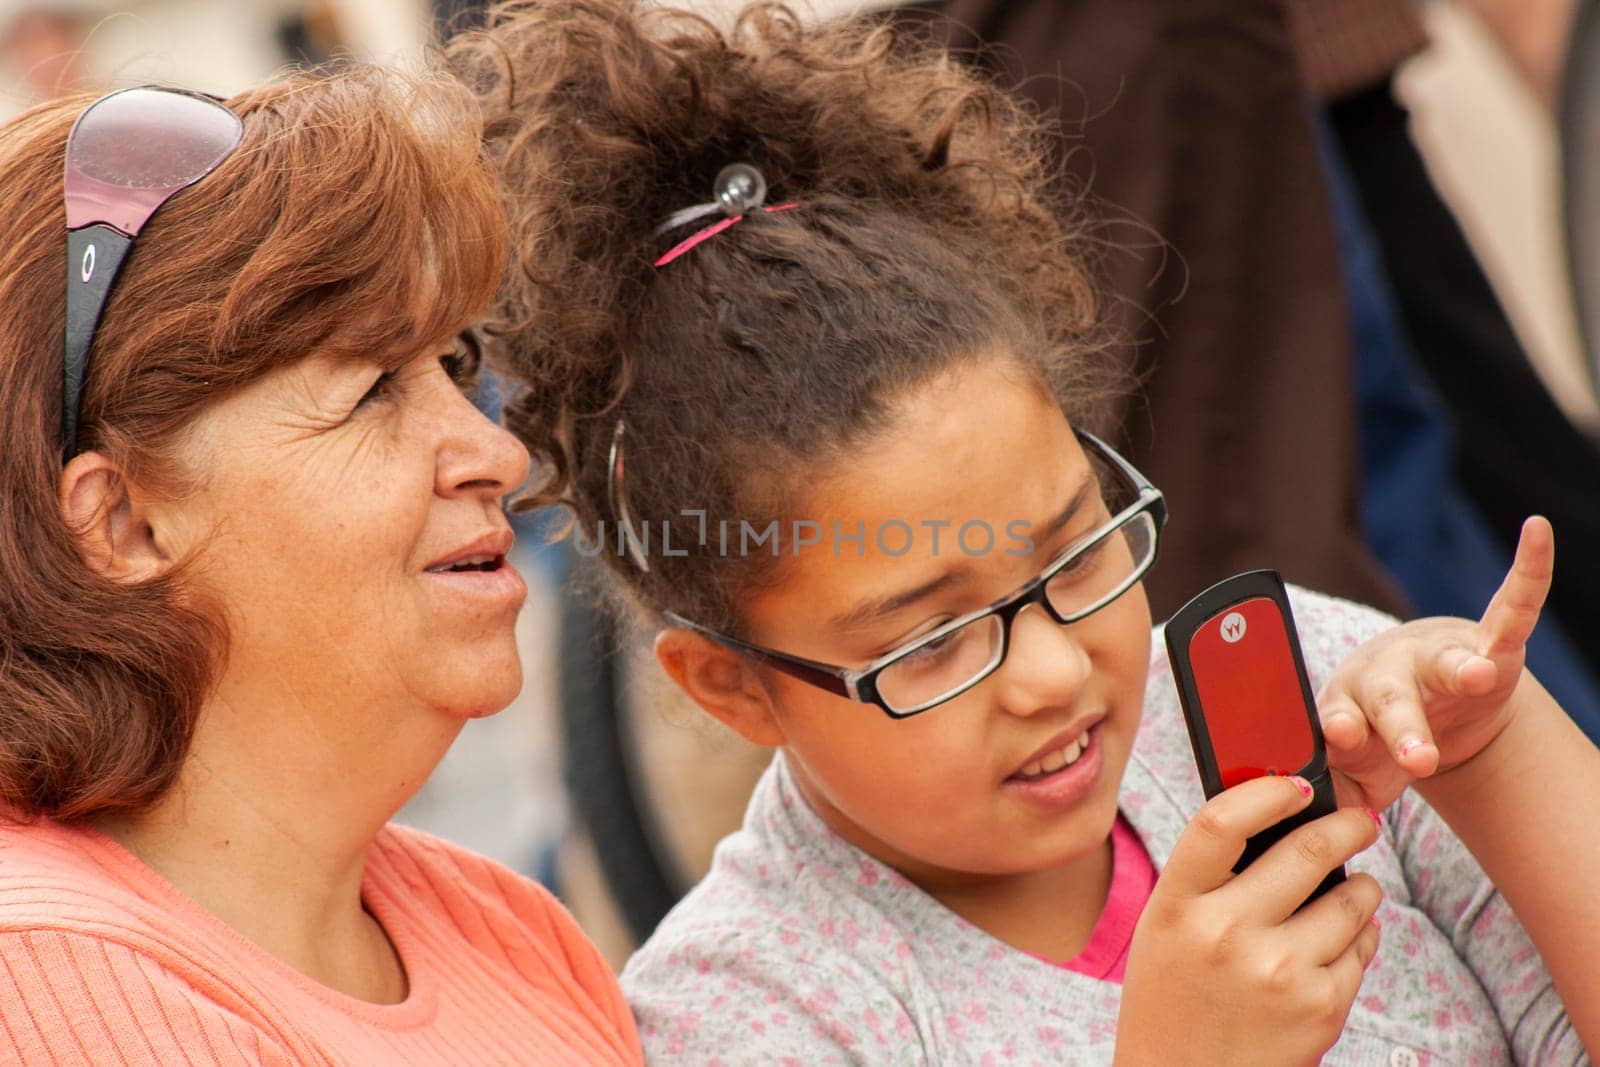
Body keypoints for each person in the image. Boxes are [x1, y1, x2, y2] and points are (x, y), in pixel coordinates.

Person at [458, 1, 1600, 1060]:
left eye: (1074, 549)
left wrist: (1493, 756)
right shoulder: (749, 1008)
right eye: (932, 640)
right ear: (731, 684)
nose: (1055, 672)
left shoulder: (1302, 688)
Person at [0, 65, 640, 1064]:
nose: (497, 455)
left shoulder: (505, 926)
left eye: (455, 369)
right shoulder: (48, 982)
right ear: (124, 522)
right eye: (374, 388)